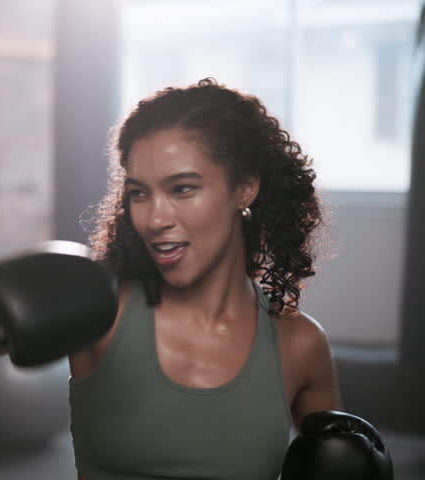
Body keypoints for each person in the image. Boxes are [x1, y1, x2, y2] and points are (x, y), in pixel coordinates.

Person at [67, 78, 340, 479]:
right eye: (139, 193)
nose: (156, 219)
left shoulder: (299, 345)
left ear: (244, 188)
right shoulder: (100, 312)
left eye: (182, 189)